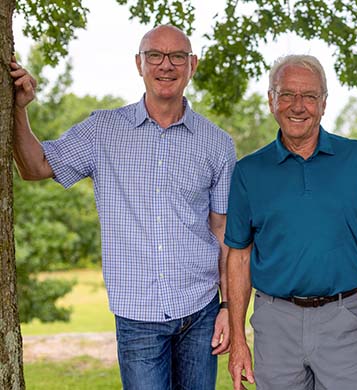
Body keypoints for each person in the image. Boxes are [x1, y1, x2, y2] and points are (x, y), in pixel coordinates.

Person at [10, 25, 236, 389]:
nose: (166, 65)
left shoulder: (217, 143)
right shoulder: (103, 131)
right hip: (137, 315)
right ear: (139, 64)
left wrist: (228, 309)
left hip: (201, 312)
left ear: (192, 65)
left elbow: (223, 232)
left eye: (177, 56)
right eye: (155, 56)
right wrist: (20, 110)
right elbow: (35, 167)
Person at [224, 54, 357, 390]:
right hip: (275, 322)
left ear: (323, 103)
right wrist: (238, 340)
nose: (298, 106)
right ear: (271, 100)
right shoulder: (248, 172)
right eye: (287, 94)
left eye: (309, 96)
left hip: (344, 319)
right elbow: (239, 256)